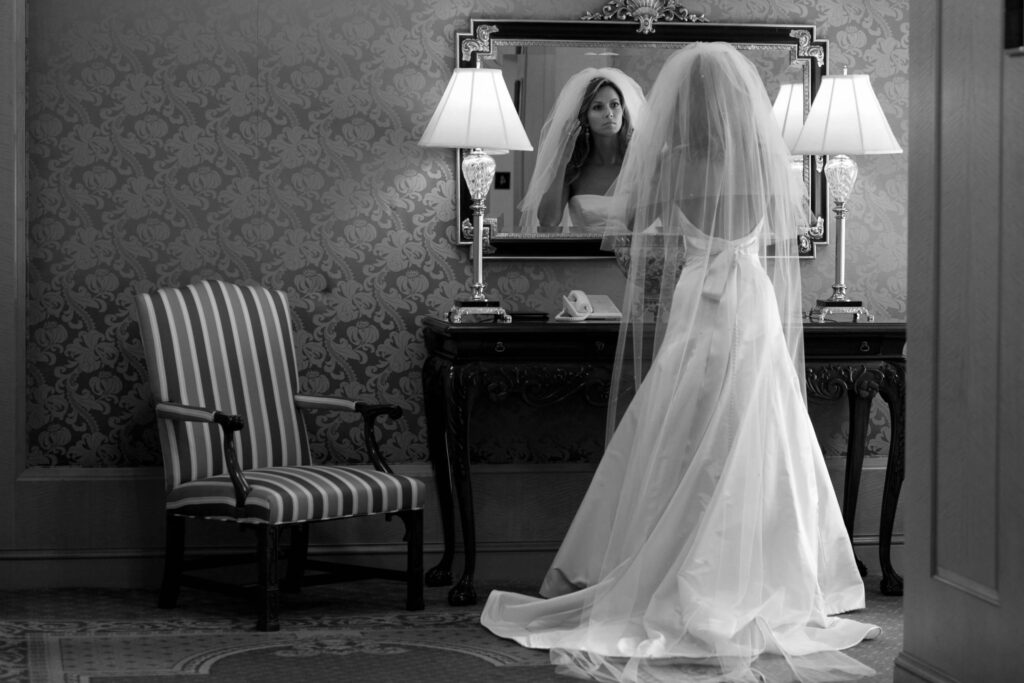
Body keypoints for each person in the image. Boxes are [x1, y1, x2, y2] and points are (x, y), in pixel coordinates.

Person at [481, 42, 880, 683]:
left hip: (699, 296)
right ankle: (771, 572)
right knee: (761, 418)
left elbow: (629, 227)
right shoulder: (764, 157)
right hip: (750, 297)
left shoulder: (670, 160)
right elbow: (787, 228)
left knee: (682, 414)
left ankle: (660, 562)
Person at [518, 67, 645, 234]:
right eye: (598, 107)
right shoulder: (574, 169)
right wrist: (562, 161)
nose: (609, 113)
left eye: (614, 105)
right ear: (585, 118)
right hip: (584, 251)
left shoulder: (638, 165)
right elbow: (548, 221)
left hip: (632, 251)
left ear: (623, 110)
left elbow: (643, 221)